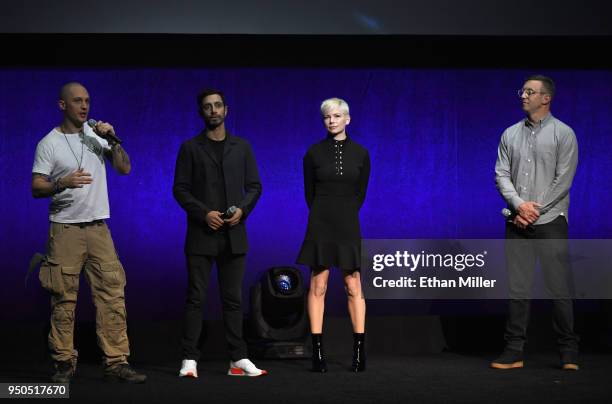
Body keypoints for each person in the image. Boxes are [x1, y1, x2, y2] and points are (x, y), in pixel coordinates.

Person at [31, 82, 146, 383]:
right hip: (65, 229)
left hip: (98, 228)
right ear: (62, 105)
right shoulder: (49, 143)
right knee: (64, 299)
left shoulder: (97, 136)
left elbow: (124, 169)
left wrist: (113, 139)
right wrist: (62, 183)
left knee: (111, 295)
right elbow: (36, 186)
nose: (84, 106)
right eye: (77, 101)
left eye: (87, 101)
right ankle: (64, 364)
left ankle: (116, 361)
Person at [173, 88, 267, 378]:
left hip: (234, 234)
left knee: (233, 299)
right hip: (201, 235)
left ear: (226, 110)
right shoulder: (190, 147)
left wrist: (242, 210)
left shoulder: (242, 147)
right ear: (201, 113)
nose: (213, 111)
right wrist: (204, 214)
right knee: (196, 298)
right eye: (207, 107)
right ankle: (189, 359)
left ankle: (237, 359)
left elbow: (255, 187)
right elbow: (180, 189)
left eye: (217, 106)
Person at [493, 75, 580, 370]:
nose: (523, 96)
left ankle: (568, 352)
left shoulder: (563, 134)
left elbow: (563, 180)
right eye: (522, 91)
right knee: (518, 289)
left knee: (559, 288)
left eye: (530, 92)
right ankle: (514, 350)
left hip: (552, 221)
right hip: (517, 222)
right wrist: (519, 206)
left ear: (546, 98)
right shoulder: (510, 134)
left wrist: (535, 210)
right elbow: (501, 175)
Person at [296, 97, 371, 372]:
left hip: (348, 222)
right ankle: (317, 353)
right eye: (327, 117)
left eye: (337, 116)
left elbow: (360, 193)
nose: (332, 121)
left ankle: (359, 352)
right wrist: (324, 214)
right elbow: (309, 194)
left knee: (353, 286)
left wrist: (345, 213)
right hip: (321, 222)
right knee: (318, 286)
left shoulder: (361, 153)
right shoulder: (313, 153)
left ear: (347, 119)